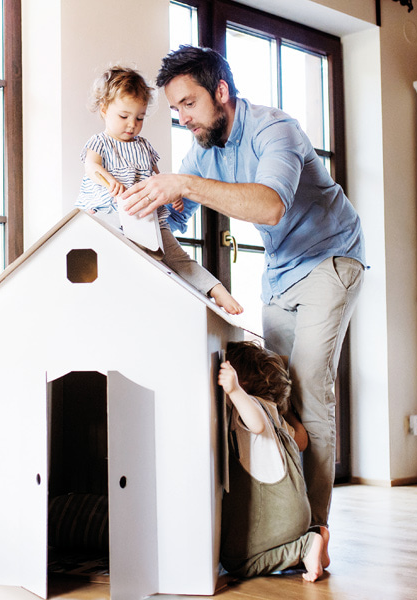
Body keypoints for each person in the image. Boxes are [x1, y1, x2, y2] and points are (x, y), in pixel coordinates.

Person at [120, 46, 365, 553]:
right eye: (176, 109)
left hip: (331, 259)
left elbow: (271, 207)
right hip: (279, 274)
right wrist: (134, 207)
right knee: (275, 393)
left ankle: (312, 530)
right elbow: (178, 215)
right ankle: (279, 513)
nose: (182, 118)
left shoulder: (276, 131)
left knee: (311, 393)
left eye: (188, 103)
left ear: (222, 92)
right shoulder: (204, 148)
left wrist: (185, 183)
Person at [76, 65, 242, 315]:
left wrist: (172, 197)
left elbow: (158, 178)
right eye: (124, 117)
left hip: (145, 218)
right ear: (104, 110)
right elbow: (91, 166)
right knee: (111, 258)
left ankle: (217, 290)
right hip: (109, 212)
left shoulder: (144, 147)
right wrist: (109, 180)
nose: (132, 124)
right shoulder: (100, 142)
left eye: (140, 118)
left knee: (177, 257)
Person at [218, 340, 326, 582]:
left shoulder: (249, 406)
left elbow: (255, 424)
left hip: (278, 514)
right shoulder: (275, 414)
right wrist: (286, 410)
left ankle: (304, 548)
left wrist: (234, 391)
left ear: (242, 380)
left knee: (235, 561)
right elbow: (302, 441)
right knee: (256, 548)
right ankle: (312, 541)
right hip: (297, 508)